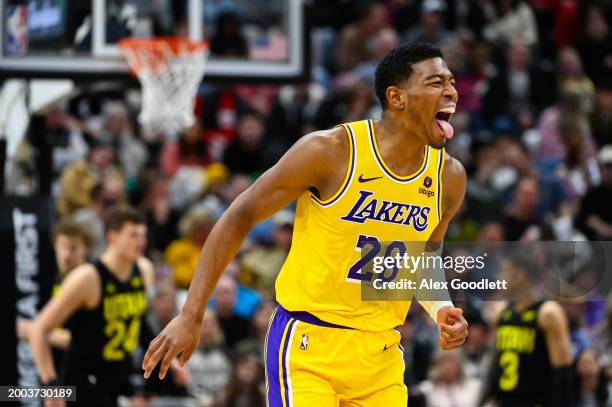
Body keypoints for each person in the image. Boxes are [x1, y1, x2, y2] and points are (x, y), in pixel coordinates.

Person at [143, 42, 469, 406]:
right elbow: (240, 215)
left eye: (452, 82)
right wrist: (191, 313)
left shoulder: (449, 178)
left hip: (381, 355)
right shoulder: (331, 152)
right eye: (436, 82)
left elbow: (423, 256)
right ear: (397, 97)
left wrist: (440, 308)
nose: (452, 91)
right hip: (307, 346)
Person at [29, 207, 154, 406]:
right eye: (133, 235)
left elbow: (140, 324)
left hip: (119, 379)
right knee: (9, 394)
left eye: (143, 235)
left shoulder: (144, 270)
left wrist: (169, 362)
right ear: (113, 237)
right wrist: (51, 388)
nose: (141, 241)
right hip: (81, 382)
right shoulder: (87, 277)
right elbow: (38, 329)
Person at [481, 250, 573, 407]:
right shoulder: (501, 313)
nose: (499, 278)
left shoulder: (548, 313)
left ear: (520, 274)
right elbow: (493, 367)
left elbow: (563, 374)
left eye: (504, 270)